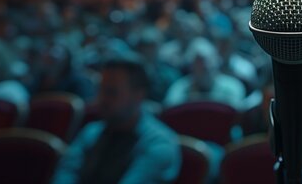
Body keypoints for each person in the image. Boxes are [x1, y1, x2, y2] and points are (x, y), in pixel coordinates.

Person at [52, 60, 181, 184]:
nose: (101, 99)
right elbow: (65, 174)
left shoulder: (158, 144)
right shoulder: (91, 131)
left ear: (138, 96)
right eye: (100, 90)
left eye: (111, 92)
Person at [164, 37, 245, 108]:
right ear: (191, 67)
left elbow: (236, 113)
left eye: (208, 61)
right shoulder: (180, 89)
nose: (205, 65)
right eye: (198, 62)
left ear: (216, 62)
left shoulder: (232, 87)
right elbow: (170, 109)